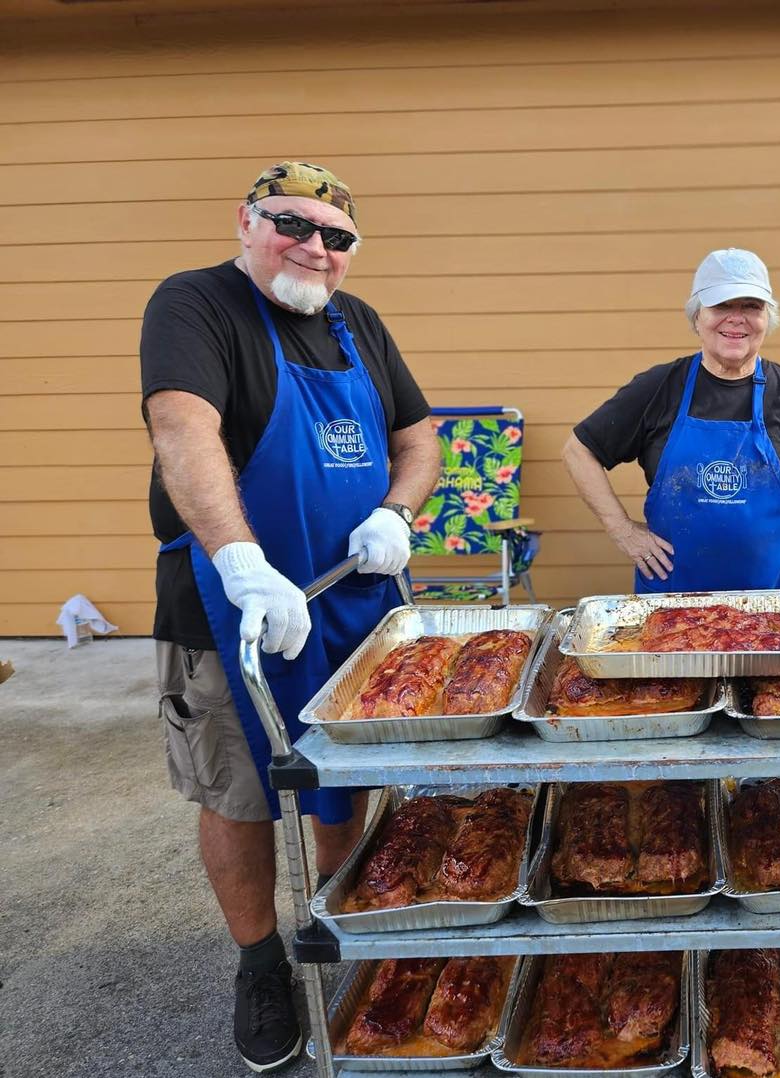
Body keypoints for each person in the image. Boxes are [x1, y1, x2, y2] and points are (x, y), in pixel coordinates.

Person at [140, 162, 439, 1073]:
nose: (314, 247)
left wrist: (397, 512)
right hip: (232, 610)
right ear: (247, 221)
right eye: (292, 224)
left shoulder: (360, 324)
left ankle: (345, 920)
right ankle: (261, 964)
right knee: (240, 794)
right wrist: (242, 563)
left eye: (336, 236)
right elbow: (183, 430)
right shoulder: (196, 305)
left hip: (355, 602)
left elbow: (419, 440)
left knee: (344, 782)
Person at [563, 248, 780, 592]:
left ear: (767, 319)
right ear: (697, 317)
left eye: (751, 306)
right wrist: (622, 530)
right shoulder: (658, 388)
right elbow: (578, 451)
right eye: (721, 305)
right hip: (672, 607)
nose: (736, 318)